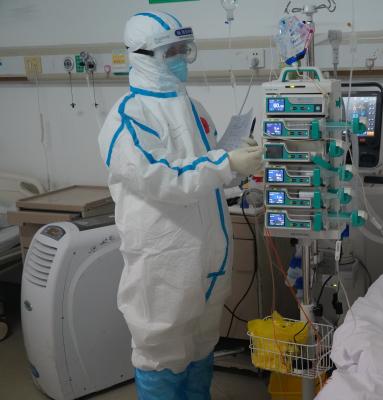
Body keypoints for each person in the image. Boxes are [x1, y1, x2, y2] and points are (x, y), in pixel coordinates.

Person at [97, 11, 263, 399]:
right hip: (165, 261)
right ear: (141, 55)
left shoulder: (194, 108)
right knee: (162, 352)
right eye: (170, 51)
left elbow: (206, 172)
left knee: (202, 344)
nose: (180, 59)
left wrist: (237, 162)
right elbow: (162, 179)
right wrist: (226, 164)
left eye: (184, 50)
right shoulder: (127, 117)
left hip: (209, 255)